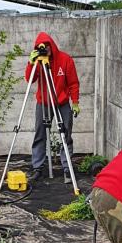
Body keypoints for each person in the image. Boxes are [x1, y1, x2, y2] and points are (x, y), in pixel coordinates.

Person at [25, 32, 80, 184]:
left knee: (66, 134)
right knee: (40, 134)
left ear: (52, 45)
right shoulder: (38, 61)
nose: (46, 50)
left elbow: (73, 83)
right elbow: (30, 79)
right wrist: (32, 64)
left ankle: (67, 167)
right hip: (43, 102)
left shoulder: (65, 60)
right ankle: (38, 167)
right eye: (42, 47)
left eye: (47, 47)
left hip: (62, 103)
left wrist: (75, 102)